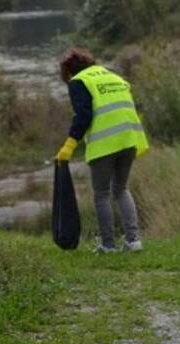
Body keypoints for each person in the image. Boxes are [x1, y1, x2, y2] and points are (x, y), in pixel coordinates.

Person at [55, 47, 149, 254]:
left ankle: (108, 245)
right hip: (129, 139)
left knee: (102, 194)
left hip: (105, 143)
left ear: (69, 72)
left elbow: (83, 116)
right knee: (121, 189)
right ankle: (133, 241)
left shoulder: (79, 82)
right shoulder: (112, 76)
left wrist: (69, 145)